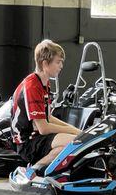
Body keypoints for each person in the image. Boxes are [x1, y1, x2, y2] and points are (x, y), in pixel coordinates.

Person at [11, 39, 81, 179]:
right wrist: (77, 132)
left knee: (72, 143)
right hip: (27, 143)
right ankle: (32, 171)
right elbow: (43, 127)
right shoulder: (32, 86)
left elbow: (49, 117)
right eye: (58, 62)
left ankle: (41, 171)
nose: (61, 66)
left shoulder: (44, 82)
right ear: (44, 63)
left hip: (37, 137)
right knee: (76, 142)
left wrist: (78, 131)